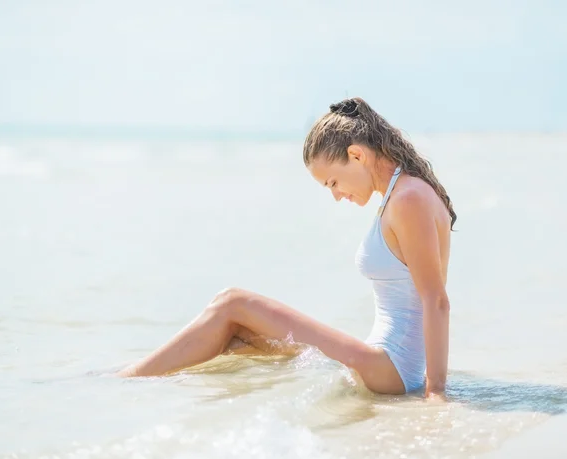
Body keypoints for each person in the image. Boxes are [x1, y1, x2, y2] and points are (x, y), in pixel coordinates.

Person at [118, 97, 455, 399]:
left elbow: (436, 299)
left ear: (356, 154)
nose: (337, 195)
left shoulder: (408, 198)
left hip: (389, 369)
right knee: (238, 337)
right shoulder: (403, 195)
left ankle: (126, 380)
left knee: (232, 302)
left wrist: (435, 393)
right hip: (383, 363)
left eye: (333, 182)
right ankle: (152, 384)